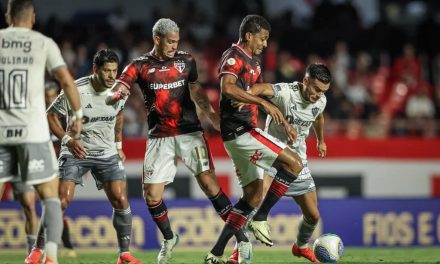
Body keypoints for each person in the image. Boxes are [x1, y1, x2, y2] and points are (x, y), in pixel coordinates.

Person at [106, 18, 249, 264]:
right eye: (170, 41)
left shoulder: (186, 61)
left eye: (177, 41)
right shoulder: (140, 65)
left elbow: (196, 90)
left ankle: (242, 240)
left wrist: (212, 116)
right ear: (157, 39)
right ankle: (170, 238)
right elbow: (121, 84)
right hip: (159, 136)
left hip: (190, 132)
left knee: (210, 186)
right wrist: (115, 93)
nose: (174, 45)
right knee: (151, 196)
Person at [26, 49, 142, 264]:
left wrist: (118, 145)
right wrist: (67, 140)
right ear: (95, 69)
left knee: (121, 198)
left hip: (106, 152)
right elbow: (51, 115)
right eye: (106, 71)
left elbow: (118, 114)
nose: (111, 76)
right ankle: (37, 250)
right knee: (60, 200)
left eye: (114, 71)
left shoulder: (119, 90)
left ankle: (124, 254)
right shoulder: (76, 90)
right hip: (75, 150)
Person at [204, 15, 304, 264]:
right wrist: (259, 102)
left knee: (253, 196)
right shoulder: (234, 56)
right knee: (294, 163)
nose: (265, 44)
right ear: (249, 36)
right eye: (263, 38)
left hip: (239, 135)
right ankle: (261, 218)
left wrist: (282, 118)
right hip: (241, 133)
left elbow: (254, 92)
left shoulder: (255, 63)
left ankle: (215, 253)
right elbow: (227, 87)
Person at [0, 1, 83, 263]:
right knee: (50, 198)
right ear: (33, 17)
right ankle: (51, 258)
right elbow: (66, 81)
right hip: (34, 134)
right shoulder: (43, 43)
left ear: (7, 16)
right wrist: (77, 115)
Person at [229, 63, 332, 263]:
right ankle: (238, 251)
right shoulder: (286, 93)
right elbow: (262, 88)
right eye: (316, 89)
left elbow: (318, 117)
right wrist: (245, 98)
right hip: (271, 157)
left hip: (297, 162)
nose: (319, 94)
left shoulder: (321, 101)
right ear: (305, 82)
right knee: (254, 203)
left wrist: (321, 140)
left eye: (324, 91)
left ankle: (300, 246)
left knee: (313, 216)